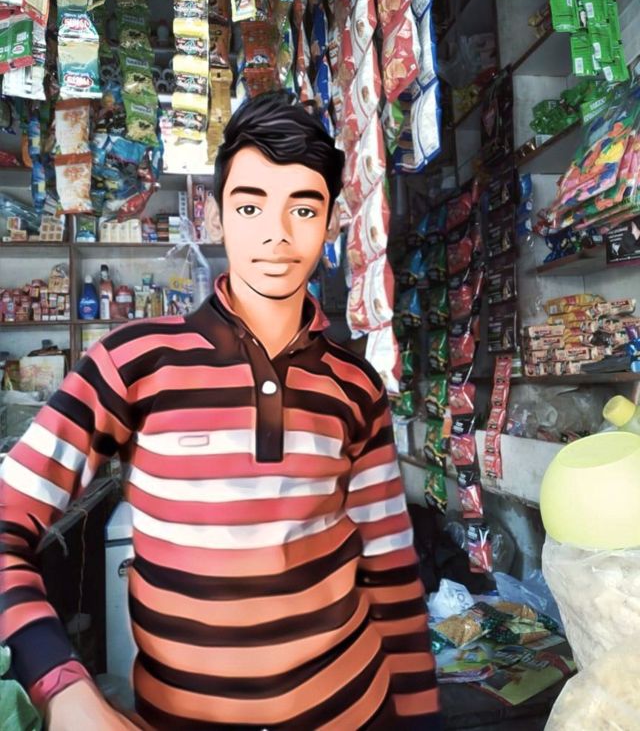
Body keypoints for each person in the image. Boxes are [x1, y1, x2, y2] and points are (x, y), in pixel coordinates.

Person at [0, 92, 441, 730]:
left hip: (355, 709)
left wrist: (419, 717)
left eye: (303, 208)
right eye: (250, 206)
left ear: (331, 222)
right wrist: (62, 687)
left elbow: (390, 564)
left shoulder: (355, 384)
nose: (276, 234)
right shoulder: (132, 363)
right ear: (216, 214)